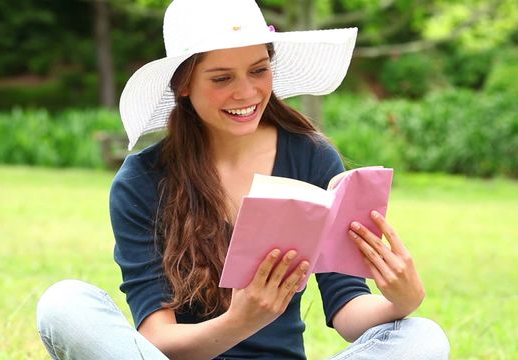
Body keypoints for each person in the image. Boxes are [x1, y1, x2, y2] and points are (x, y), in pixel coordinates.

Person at [36, 0, 450, 359]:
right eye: (221, 78)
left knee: (423, 338)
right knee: (64, 304)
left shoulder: (310, 157)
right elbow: (156, 339)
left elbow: (347, 306)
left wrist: (402, 299)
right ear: (183, 84)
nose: (247, 92)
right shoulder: (142, 180)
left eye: (259, 70)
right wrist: (241, 320)